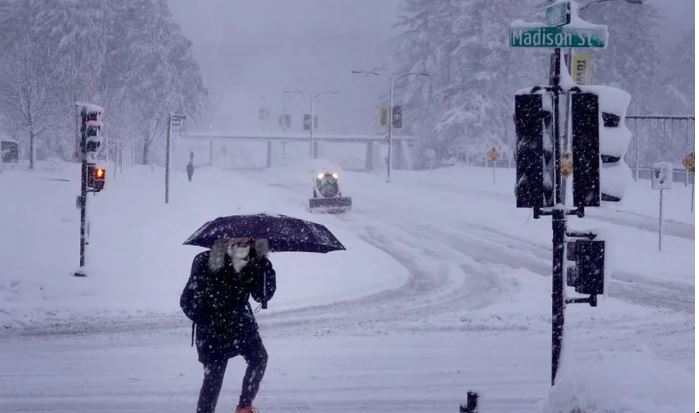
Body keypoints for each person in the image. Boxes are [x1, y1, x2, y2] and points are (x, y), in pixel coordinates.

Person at [180, 238, 276, 413]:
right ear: (226, 237)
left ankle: (245, 406)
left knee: (259, 358)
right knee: (213, 378)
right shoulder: (205, 260)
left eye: (248, 237)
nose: (243, 240)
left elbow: (262, 296)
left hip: (241, 324)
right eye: (238, 235)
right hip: (213, 330)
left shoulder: (254, 261)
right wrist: (208, 319)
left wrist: (265, 270)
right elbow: (187, 300)